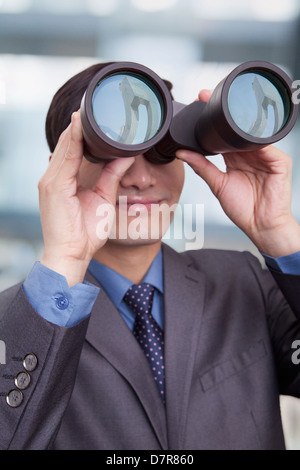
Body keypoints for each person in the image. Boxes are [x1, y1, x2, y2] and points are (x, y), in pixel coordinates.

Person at [1, 61, 300, 451]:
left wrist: (279, 232)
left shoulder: (244, 282)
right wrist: (66, 258)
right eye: (108, 151)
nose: (139, 178)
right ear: (61, 170)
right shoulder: (19, 321)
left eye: (163, 151)